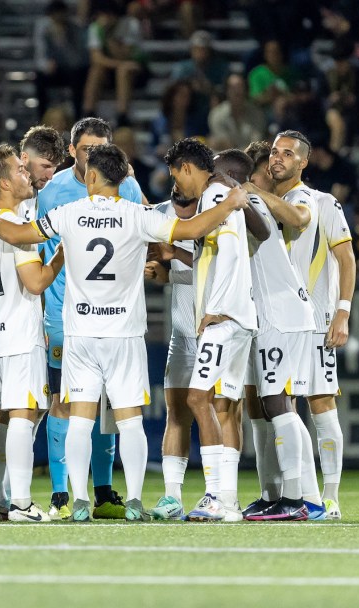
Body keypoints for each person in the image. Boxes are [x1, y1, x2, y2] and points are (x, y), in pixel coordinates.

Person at [0, 142, 250, 521]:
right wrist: (229, 203)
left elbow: (20, 236)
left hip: (81, 334)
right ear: (122, 179)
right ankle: (135, 499)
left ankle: (80, 501)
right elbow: (192, 227)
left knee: (81, 419)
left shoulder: (67, 213)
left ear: (90, 176)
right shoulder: (138, 215)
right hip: (124, 333)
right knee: (130, 419)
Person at [35, 117, 143, 520]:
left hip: (114, 316)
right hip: (65, 313)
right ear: (71, 151)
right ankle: (62, 492)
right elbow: (39, 249)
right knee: (65, 402)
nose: (92, 156)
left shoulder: (127, 187)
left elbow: (143, 226)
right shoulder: (53, 191)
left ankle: (102, 489)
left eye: (100, 149)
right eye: (86, 149)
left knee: (110, 409)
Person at [245, 130, 356, 520]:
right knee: (274, 403)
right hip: (275, 318)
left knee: (321, 403)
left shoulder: (317, 202)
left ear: (303, 162)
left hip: (317, 320)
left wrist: (342, 311)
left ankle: (328, 498)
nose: (278, 158)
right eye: (275, 151)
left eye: (287, 153)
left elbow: (346, 259)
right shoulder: (267, 205)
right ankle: (289, 493)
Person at [0, 145, 65, 523]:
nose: (28, 176)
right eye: (20, 172)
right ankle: (22, 504)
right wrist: (60, 255)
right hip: (19, 337)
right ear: (5, 182)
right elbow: (36, 282)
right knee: (23, 416)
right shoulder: (19, 231)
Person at [161, 139, 257, 522]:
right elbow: (210, 256)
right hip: (239, 319)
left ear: (187, 168)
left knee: (198, 399)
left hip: (226, 319)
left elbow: (232, 253)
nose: (176, 186)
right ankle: (228, 501)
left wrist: (216, 308)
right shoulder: (219, 199)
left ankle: (215, 495)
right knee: (221, 403)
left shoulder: (217, 195)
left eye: (175, 176)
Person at [142, 186, 197, 520]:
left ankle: (221, 494)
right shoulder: (162, 213)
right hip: (181, 331)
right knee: (177, 412)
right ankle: (172, 497)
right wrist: (159, 273)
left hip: (217, 331)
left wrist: (173, 254)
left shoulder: (217, 214)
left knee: (221, 412)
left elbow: (218, 267)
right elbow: (166, 271)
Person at [82, 3, 147, 125]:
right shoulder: (95, 27)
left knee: (124, 70)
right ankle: (88, 112)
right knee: (96, 70)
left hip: (137, 68)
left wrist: (108, 35)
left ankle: (122, 115)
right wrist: (118, 64)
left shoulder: (131, 24)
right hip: (114, 68)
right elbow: (96, 58)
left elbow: (125, 55)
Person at [33, 1, 89, 121]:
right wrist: (46, 65)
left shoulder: (74, 29)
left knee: (79, 76)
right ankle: (42, 117)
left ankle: (77, 117)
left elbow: (77, 60)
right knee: (39, 78)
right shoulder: (43, 27)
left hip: (71, 70)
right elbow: (39, 53)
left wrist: (62, 40)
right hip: (52, 69)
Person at [208, 73, 265, 152]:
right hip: (224, 160)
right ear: (226, 91)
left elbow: (255, 146)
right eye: (232, 87)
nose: (237, 91)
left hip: (251, 161)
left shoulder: (257, 114)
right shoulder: (216, 114)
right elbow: (224, 145)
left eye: (240, 87)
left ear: (246, 90)